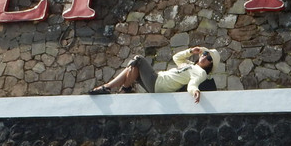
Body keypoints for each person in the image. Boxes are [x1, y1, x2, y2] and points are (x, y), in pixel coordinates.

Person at [89, 46, 221, 103]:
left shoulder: (201, 73)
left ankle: (124, 88)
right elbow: (176, 58)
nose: (205, 57)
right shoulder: (189, 65)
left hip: (158, 82)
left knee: (138, 59)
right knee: (132, 68)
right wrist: (191, 51)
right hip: (157, 82)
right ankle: (108, 88)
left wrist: (195, 91)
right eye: (204, 54)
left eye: (209, 58)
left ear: (210, 65)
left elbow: (193, 84)